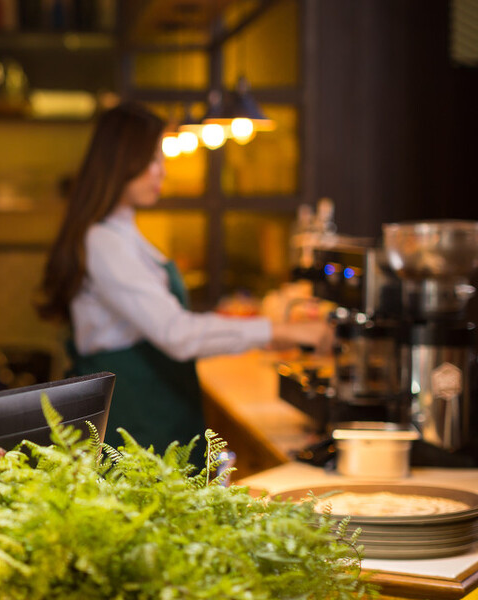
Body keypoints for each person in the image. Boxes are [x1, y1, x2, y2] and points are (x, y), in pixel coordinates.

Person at [36, 102, 330, 454]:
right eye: (153, 160)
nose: (162, 172)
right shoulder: (104, 242)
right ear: (121, 161)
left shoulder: (121, 234)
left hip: (149, 417)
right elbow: (177, 333)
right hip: (131, 423)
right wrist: (277, 330)